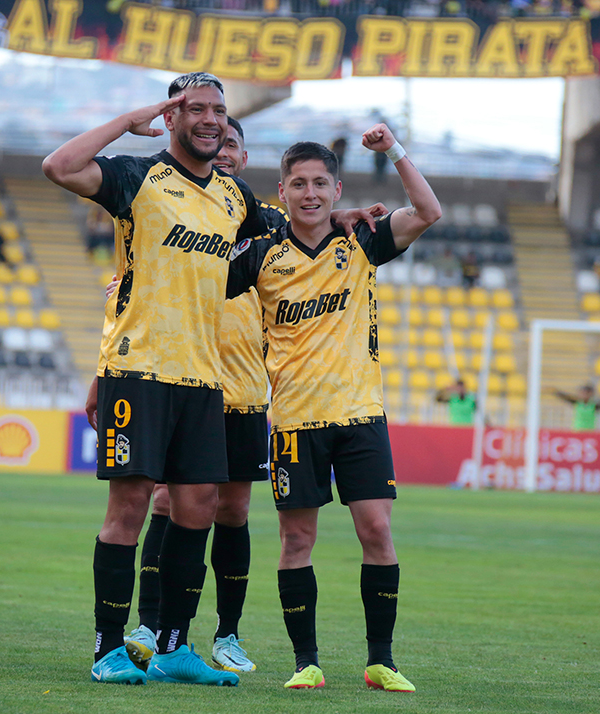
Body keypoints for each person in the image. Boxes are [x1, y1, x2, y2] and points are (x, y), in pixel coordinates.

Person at [109, 118, 386, 675]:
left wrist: (336, 216)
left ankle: (227, 635)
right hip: (182, 378)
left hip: (247, 389)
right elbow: (135, 292)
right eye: (220, 143)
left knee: (233, 510)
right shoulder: (168, 208)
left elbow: (311, 227)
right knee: (165, 503)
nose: (227, 153)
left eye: (235, 145)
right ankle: (153, 624)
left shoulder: (259, 221)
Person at [43, 71, 271, 687]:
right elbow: (60, 166)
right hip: (139, 372)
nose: (209, 119)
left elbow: (285, 234)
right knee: (130, 510)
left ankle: (173, 646)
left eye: (218, 110)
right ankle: (107, 648)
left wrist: (342, 215)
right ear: (171, 117)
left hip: (204, 379)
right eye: (193, 108)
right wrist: (127, 121)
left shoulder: (233, 197)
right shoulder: (135, 176)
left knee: (197, 508)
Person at [226, 126, 442, 692]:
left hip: (361, 416)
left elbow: (427, 209)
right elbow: (200, 281)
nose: (310, 193)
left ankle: (382, 661)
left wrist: (393, 151)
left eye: (320, 182)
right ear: (282, 192)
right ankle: (306, 662)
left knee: (376, 531)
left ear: (336, 187)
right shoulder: (261, 257)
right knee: (297, 541)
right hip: (296, 422)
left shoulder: (363, 240)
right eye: (298, 183)